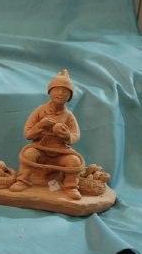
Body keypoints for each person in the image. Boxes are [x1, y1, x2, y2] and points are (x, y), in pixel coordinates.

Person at [9, 70, 85, 200]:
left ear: (70, 96)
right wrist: (40, 125)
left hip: (60, 153)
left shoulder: (68, 116)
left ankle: (71, 186)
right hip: (40, 150)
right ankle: (23, 181)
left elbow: (75, 136)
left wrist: (66, 135)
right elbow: (28, 134)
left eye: (65, 91)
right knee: (28, 154)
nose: (60, 94)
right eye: (56, 90)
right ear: (50, 92)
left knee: (74, 161)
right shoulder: (40, 111)